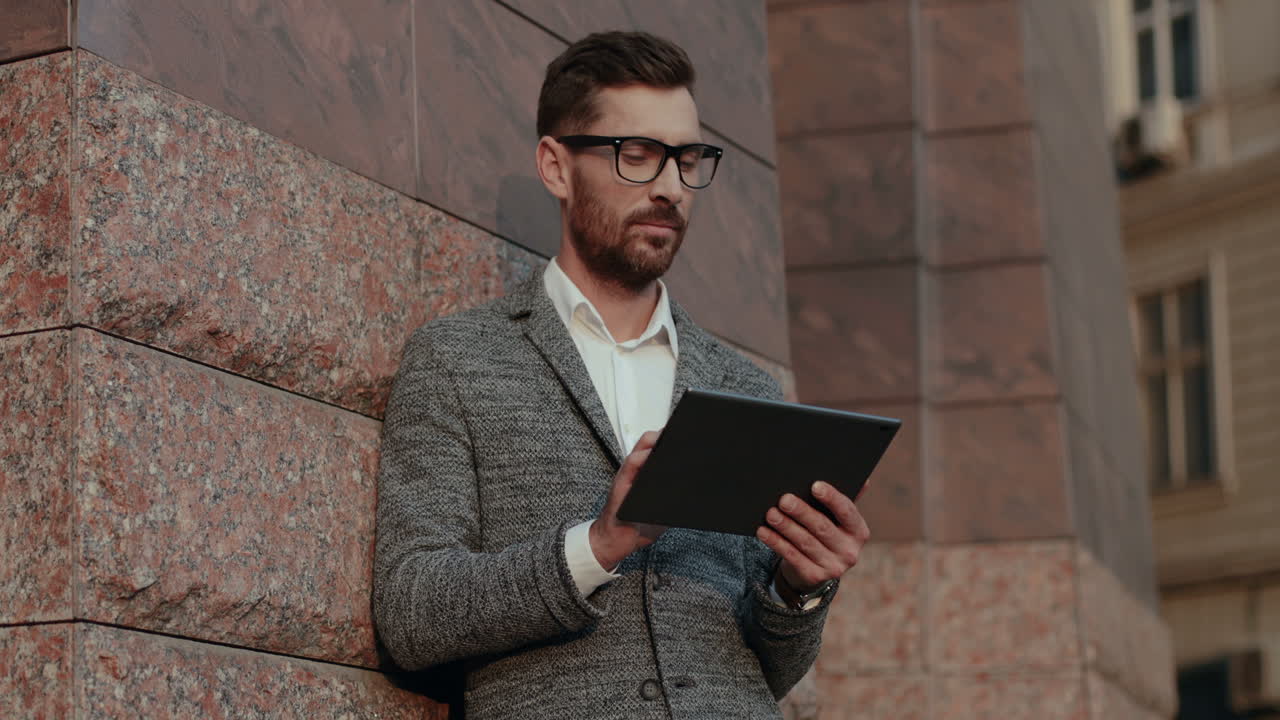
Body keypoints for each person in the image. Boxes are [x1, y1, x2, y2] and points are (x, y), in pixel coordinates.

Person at [373, 30, 870, 720]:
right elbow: (411, 610)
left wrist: (800, 586)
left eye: (688, 159)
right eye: (638, 156)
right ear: (555, 166)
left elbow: (768, 667)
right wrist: (600, 544)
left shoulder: (743, 386)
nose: (670, 187)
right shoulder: (458, 359)